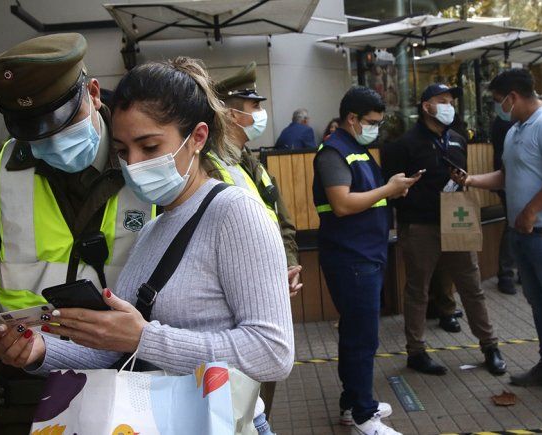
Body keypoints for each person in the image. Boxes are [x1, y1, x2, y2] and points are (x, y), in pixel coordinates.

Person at [0, 57, 295, 426]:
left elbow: (272, 353)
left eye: (148, 147)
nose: (133, 164)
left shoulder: (234, 213)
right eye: (121, 150)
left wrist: (145, 338)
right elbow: (118, 350)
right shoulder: (153, 227)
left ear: (197, 137)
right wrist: (37, 352)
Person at [0, 34, 155, 434]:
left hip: (139, 372)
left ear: (93, 93)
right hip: (32, 380)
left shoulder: (149, 155)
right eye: (34, 131)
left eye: (61, 122)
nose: (51, 139)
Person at [453, 69, 542, 410]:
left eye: (499, 101)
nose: (498, 108)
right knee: (539, 303)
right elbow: (507, 175)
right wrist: (473, 180)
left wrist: (531, 210)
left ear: (513, 96)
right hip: (525, 233)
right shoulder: (516, 131)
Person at [314, 85, 419, 435]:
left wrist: (391, 189)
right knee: (362, 339)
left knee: (358, 335)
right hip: (352, 259)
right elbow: (343, 204)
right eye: (371, 122)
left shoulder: (357, 149)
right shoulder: (333, 152)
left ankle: (352, 403)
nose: (376, 127)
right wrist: (388, 189)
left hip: (366, 255)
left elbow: (367, 197)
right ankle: (363, 415)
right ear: (352, 118)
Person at [381, 83, 506, 377]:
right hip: (419, 226)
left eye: (451, 101)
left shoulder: (458, 140)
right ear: (426, 107)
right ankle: (416, 351)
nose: (449, 105)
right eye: (442, 101)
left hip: (457, 221)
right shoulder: (404, 144)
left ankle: (490, 346)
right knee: (417, 290)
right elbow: (392, 188)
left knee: (472, 286)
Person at [212, 61, 301, 433]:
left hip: (271, 290)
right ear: (230, 114)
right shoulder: (211, 166)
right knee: (239, 403)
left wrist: (291, 263)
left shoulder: (253, 161)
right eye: (252, 108)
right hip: (238, 301)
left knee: (262, 396)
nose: (259, 114)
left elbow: (282, 221)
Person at [491, 116, 518, 294]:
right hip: (508, 182)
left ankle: (517, 271)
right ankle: (506, 274)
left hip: (516, 182)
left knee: (518, 226)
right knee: (512, 225)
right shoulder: (506, 124)